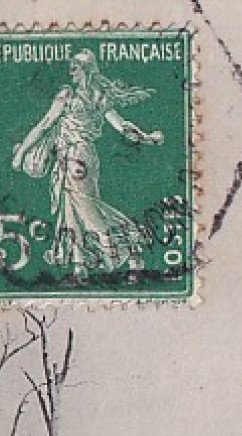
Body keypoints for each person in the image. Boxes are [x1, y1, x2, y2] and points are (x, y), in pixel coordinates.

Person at [11, 50, 165, 279]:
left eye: (75, 67)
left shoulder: (68, 95)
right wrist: (146, 137)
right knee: (71, 209)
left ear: (86, 70)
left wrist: (21, 152)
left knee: (87, 209)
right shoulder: (99, 96)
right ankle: (79, 265)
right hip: (83, 156)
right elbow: (122, 126)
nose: (71, 72)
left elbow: (44, 124)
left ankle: (129, 250)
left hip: (75, 156)